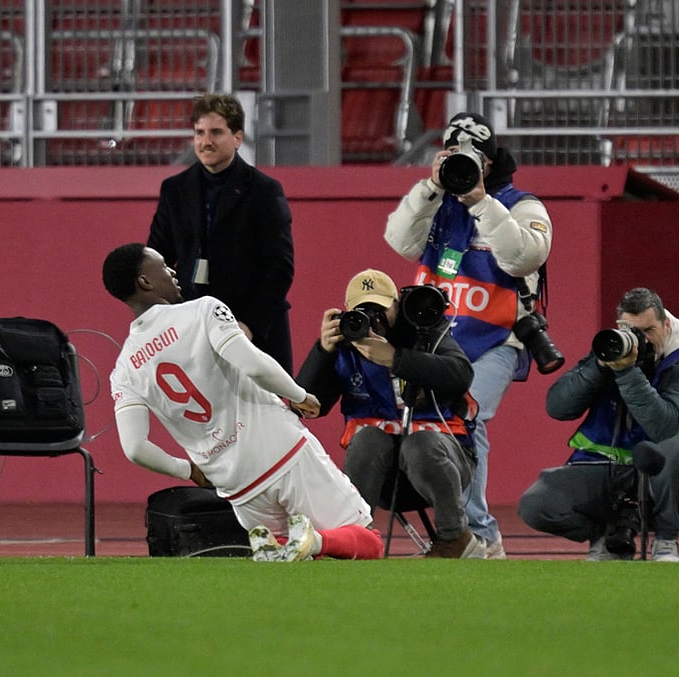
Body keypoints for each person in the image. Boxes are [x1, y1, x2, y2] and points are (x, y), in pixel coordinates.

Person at [103, 243, 383, 562]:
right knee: (368, 541)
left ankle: (277, 542)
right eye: (164, 266)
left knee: (293, 557)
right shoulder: (202, 310)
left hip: (236, 484)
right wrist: (300, 395)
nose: (172, 272)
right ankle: (312, 541)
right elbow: (252, 363)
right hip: (282, 452)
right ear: (145, 282)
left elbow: (135, 447)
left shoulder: (125, 367)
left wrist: (188, 470)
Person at [384, 112, 553, 559]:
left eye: (471, 159)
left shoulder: (522, 204)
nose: (462, 167)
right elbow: (400, 242)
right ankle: (464, 532)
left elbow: (523, 258)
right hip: (439, 339)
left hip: (499, 338)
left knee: (468, 414)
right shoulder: (437, 202)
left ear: (490, 163)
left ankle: (479, 533)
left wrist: (480, 200)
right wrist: (430, 187)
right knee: (436, 423)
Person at [517, 288, 679, 562]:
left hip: (661, 472)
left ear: (666, 324)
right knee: (536, 505)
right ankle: (604, 534)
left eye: (649, 330)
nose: (642, 340)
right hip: (607, 467)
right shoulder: (611, 351)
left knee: (676, 450)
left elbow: (664, 425)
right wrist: (599, 367)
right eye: (633, 332)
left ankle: (666, 542)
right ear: (620, 328)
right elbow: (558, 407)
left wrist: (625, 372)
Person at [295, 269, 485, 558]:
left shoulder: (424, 329)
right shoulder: (346, 345)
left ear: (397, 305)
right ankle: (352, 539)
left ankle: (454, 537)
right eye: (364, 311)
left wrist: (396, 359)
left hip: (443, 462)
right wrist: (322, 351)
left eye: (381, 310)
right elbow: (307, 405)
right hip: (383, 472)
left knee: (420, 444)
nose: (374, 320)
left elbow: (461, 374)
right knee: (367, 439)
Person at [147, 93, 295, 372]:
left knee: (261, 416)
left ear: (237, 138)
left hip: (255, 334)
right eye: (199, 133)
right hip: (193, 333)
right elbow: (157, 260)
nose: (206, 141)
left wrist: (248, 325)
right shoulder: (174, 189)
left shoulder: (265, 191)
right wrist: (165, 320)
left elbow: (280, 268)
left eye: (216, 132)